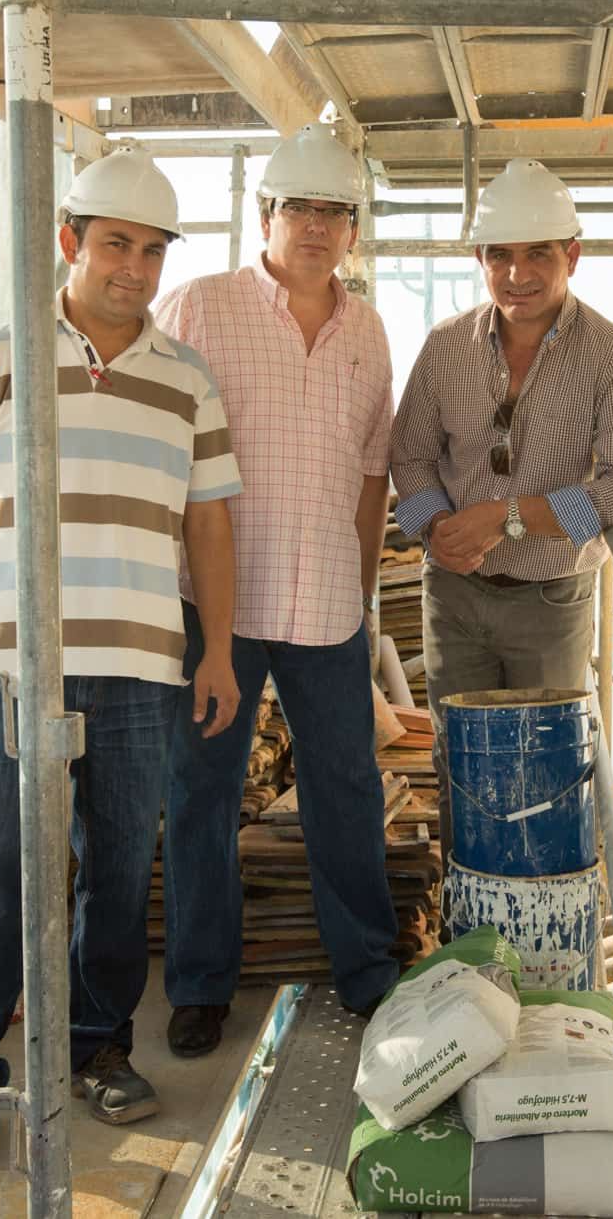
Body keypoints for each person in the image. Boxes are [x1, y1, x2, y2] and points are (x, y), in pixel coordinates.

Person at [0, 146, 242, 1174]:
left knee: (120, 872)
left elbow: (210, 527)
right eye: (116, 243)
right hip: (14, 674)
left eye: (151, 249)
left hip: (140, 669)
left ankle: (98, 1050)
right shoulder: (2, 357)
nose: (134, 266)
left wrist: (215, 650)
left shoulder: (186, 380)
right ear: (68, 242)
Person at [154, 124, 401, 1057]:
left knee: (346, 784)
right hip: (215, 603)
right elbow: (158, 447)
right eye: (299, 207)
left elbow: (372, 471)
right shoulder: (200, 308)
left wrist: (366, 596)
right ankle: (200, 985)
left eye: (334, 211)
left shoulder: (367, 329)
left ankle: (367, 970)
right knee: (204, 789)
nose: (315, 227)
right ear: (265, 215)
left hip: (328, 603)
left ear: (351, 229)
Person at [389, 157, 613, 863]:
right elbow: (410, 457)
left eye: (538, 252)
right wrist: (434, 529)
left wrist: (505, 517)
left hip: (552, 599)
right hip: (452, 594)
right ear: (479, 259)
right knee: (465, 775)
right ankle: (472, 939)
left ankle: (544, 943)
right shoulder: (444, 347)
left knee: (544, 782)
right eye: (499, 255)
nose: (518, 273)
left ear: (572, 253)